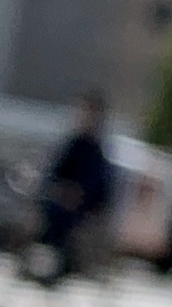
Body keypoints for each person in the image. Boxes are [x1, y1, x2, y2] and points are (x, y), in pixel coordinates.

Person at [33, 92, 119, 284]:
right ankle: (45, 261)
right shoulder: (73, 143)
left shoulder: (97, 150)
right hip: (60, 201)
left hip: (83, 208)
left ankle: (58, 265)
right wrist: (59, 189)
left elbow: (99, 184)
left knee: (62, 222)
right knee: (50, 216)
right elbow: (54, 172)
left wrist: (80, 195)